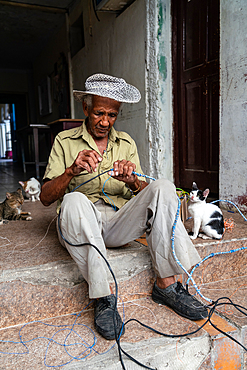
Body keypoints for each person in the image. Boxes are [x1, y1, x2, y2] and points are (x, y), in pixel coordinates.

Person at [40, 73, 207, 341]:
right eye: (99, 113)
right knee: (73, 200)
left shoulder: (126, 143)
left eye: (112, 115)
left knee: (163, 187)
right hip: (81, 225)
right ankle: (104, 297)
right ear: (86, 108)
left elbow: (145, 194)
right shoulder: (65, 141)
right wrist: (71, 171)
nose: (105, 121)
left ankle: (167, 284)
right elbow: (46, 198)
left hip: (118, 224)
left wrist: (132, 182)